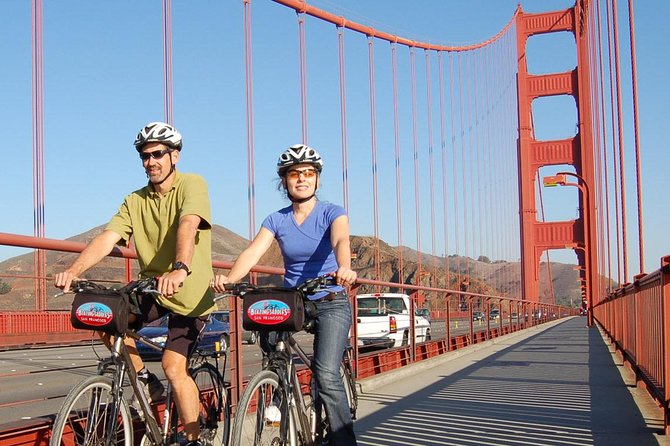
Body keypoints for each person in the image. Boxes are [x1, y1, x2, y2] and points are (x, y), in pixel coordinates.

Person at [54, 121, 215, 446]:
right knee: (100, 314)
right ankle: (142, 378)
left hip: (191, 293)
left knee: (173, 367)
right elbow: (107, 237)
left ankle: (194, 438)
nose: (150, 161)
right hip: (152, 286)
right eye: (145, 156)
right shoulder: (134, 200)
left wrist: (180, 268)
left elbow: (188, 224)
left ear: (175, 156)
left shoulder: (192, 184)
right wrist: (74, 269)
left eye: (158, 154)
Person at [212, 143, 358, 445]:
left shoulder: (333, 212)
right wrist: (229, 279)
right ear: (285, 181)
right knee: (271, 340)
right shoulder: (276, 219)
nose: (302, 179)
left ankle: (344, 440)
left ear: (317, 179)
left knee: (326, 374)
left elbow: (341, 238)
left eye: (308, 173)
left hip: (330, 299)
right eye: (294, 174)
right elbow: (253, 251)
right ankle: (279, 389)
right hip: (295, 301)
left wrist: (344, 268)